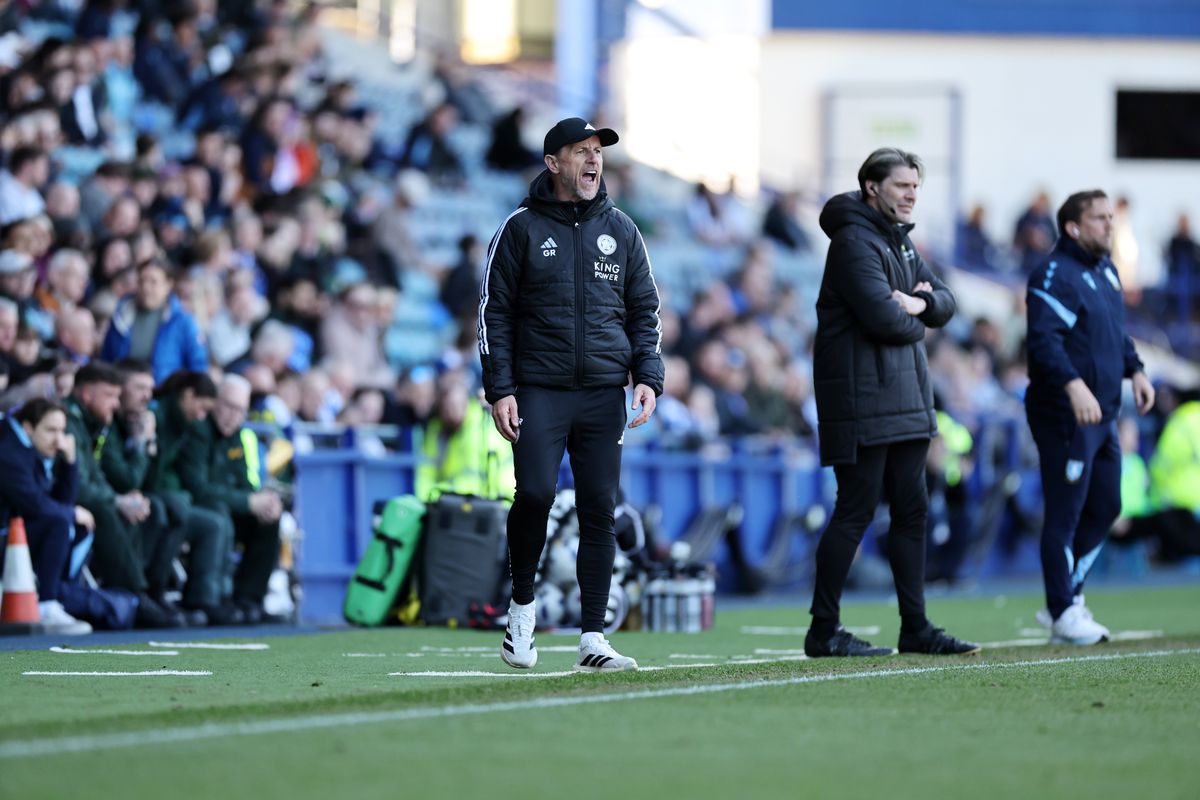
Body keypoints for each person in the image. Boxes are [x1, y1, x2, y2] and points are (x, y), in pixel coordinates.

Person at [479, 117, 664, 672]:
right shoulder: (519, 228)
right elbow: (493, 313)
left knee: (599, 510)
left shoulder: (623, 230)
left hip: (603, 392)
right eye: (580, 151)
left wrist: (648, 377)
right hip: (539, 389)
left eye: (597, 151)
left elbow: (644, 312)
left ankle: (593, 638)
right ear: (553, 163)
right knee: (535, 494)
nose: (593, 159)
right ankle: (521, 609)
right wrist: (500, 389)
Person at [807, 147, 979, 658]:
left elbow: (946, 302)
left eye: (915, 187)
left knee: (913, 510)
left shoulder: (899, 242)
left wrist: (918, 303)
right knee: (855, 510)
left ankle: (915, 627)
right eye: (902, 185)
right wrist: (918, 316)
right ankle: (823, 631)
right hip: (862, 399)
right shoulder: (852, 242)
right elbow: (885, 320)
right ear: (872, 187)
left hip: (906, 396)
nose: (911, 195)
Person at [1025, 189, 1155, 645]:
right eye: (1099, 218)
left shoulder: (1106, 270)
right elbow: (1043, 340)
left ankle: (1066, 599)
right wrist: (1073, 384)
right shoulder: (1054, 274)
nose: (1109, 224)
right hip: (1065, 412)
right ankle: (1064, 609)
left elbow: (1115, 333)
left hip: (1103, 412)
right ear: (1073, 227)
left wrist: (1136, 369)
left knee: (1106, 506)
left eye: (1110, 217)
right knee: (1065, 512)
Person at [64, 361, 182, 627]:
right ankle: (135, 595)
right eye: (110, 395)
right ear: (86, 394)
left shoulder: (90, 423)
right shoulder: (73, 423)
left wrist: (148, 444)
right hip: (60, 502)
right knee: (108, 510)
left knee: (145, 507)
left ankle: (143, 594)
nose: (116, 403)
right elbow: (98, 482)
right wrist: (118, 499)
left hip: (84, 497)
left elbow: (106, 479)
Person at [178, 374, 284, 624]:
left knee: (267, 520)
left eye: (240, 410)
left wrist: (263, 502)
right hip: (198, 508)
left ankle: (249, 599)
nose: (233, 415)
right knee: (219, 513)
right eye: (228, 406)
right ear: (216, 402)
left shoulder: (238, 436)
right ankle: (214, 598)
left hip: (227, 507)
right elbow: (198, 488)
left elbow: (245, 484)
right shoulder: (198, 432)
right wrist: (248, 502)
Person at [0, 399, 94, 634]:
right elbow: (34, 504)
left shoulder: (34, 451)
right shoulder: (9, 452)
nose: (59, 440)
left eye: (62, 431)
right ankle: (47, 603)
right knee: (60, 522)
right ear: (28, 427)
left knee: (74, 526)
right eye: (51, 430)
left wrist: (70, 462)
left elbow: (63, 501)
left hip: (15, 537)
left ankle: (59, 594)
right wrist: (72, 513)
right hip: (4, 537)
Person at [99, 258, 209, 384]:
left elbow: (197, 365)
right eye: (142, 281)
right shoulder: (121, 316)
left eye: (153, 282)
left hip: (164, 392)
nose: (146, 287)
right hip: (121, 388)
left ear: (168, 285)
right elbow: (106, 359)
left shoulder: (183, 322)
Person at [415, 374, 515, 504]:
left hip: (493, 501)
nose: (452, 412)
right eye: (447, 407)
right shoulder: (436, 430)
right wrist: (427, 502)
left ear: (466, 402)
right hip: (453, 503)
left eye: (456, 405)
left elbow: (486, 475)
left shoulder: (481, 423)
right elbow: (426, 472)